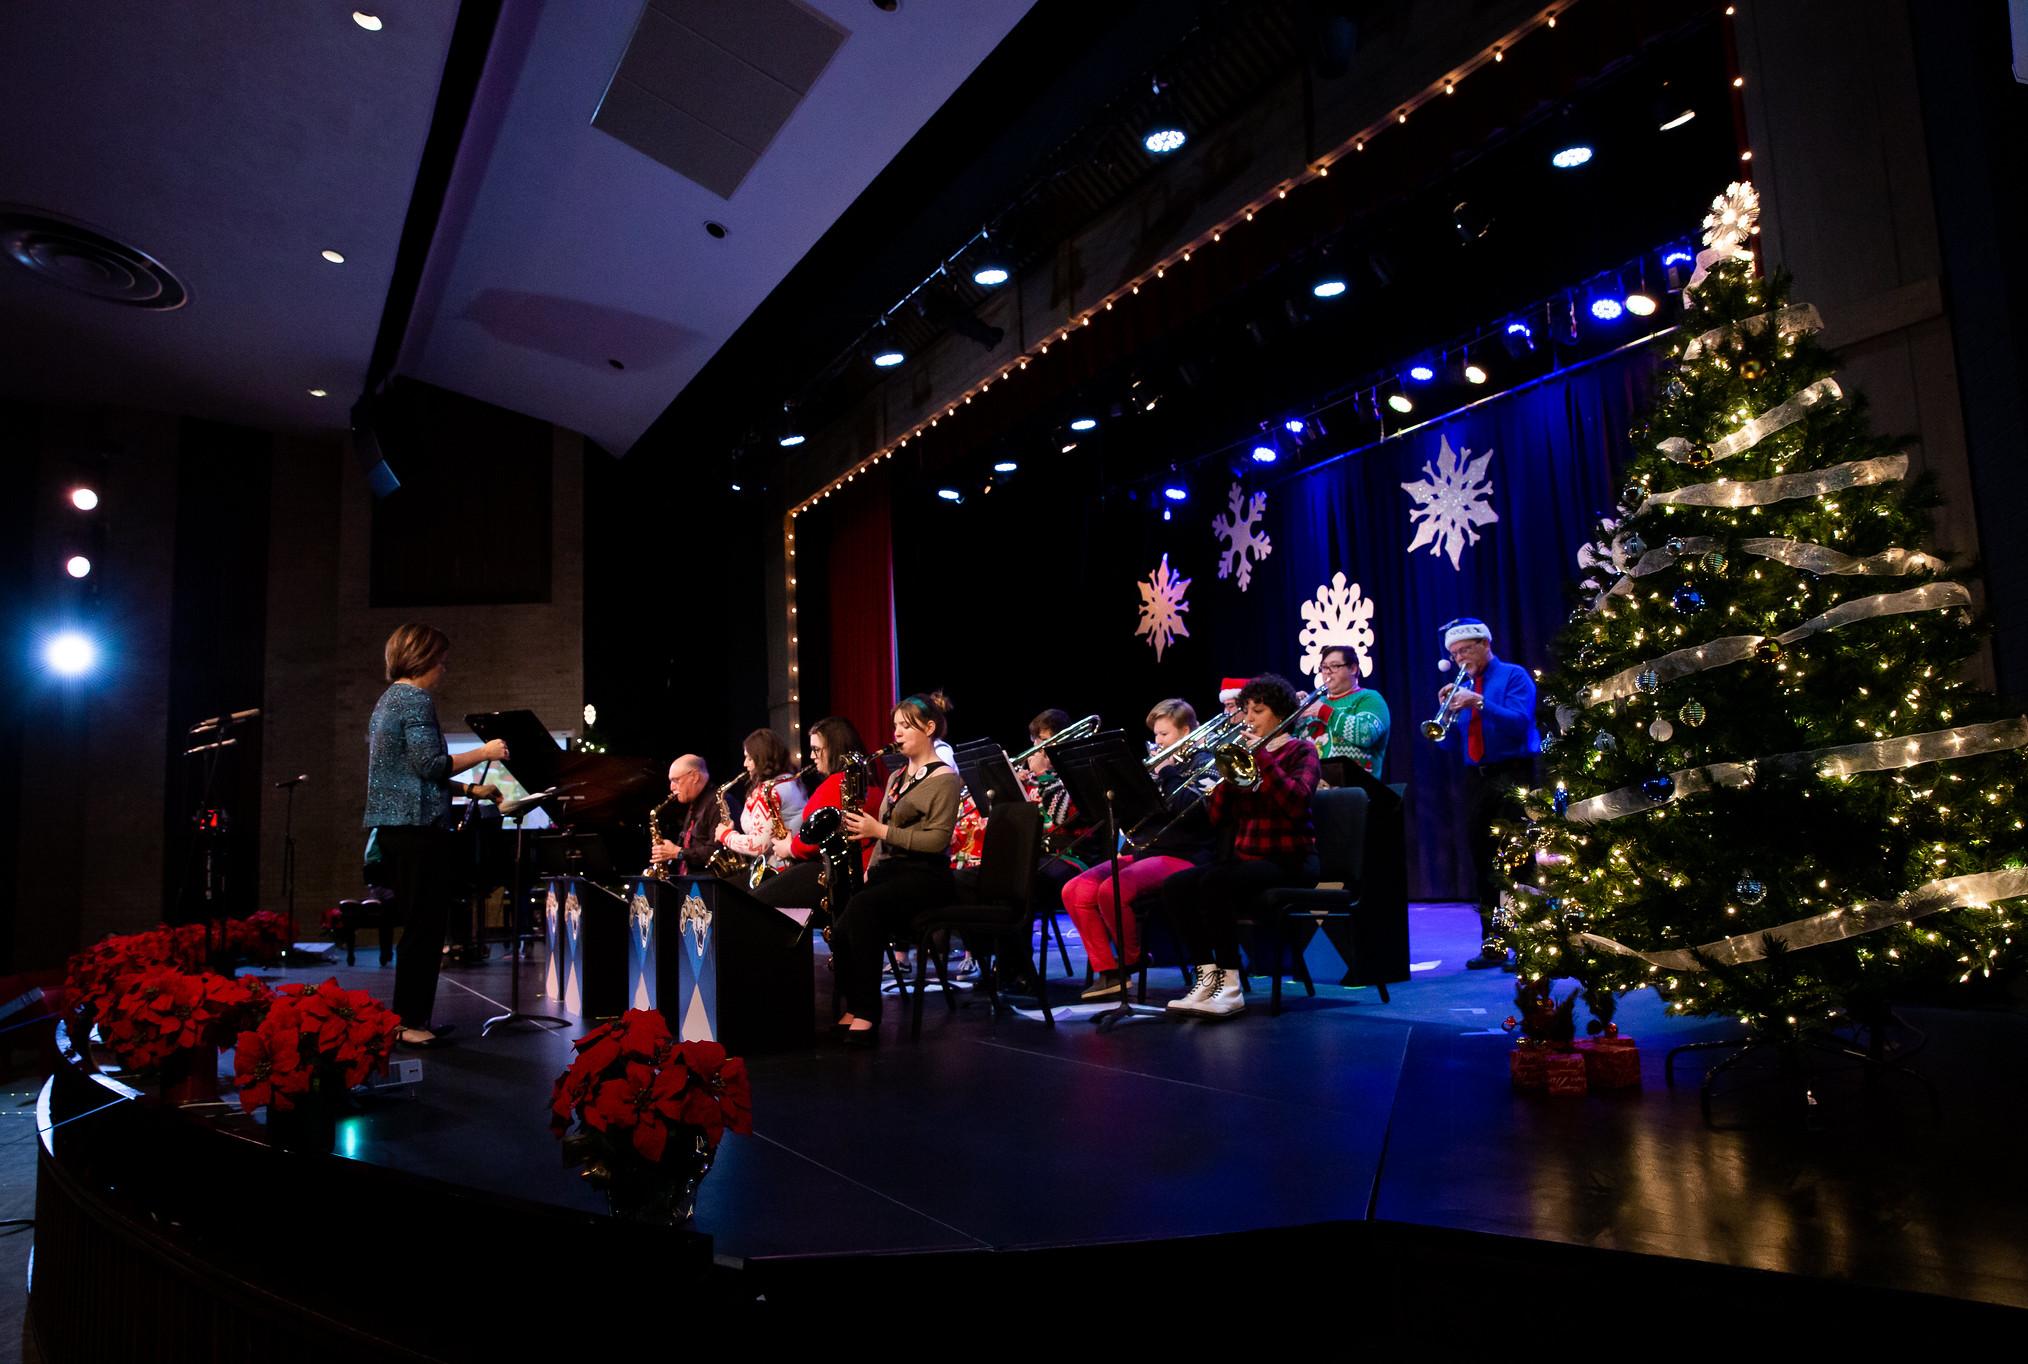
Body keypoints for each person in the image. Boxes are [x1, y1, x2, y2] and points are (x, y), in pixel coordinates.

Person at [362, 624, 507, 1048]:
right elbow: (429, 764)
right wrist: (486, 752)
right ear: (423, 657)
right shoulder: (415, 699)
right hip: (418, 831)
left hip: (395, 830)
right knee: (425, 930)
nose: (445, 667)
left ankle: (408, 1019)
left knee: (419, 928)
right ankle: (409, 1023)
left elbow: (407, 772)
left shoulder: (388, 700)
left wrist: (470, 789)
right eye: (441, 658)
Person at [1159, 674, 1321, 1019]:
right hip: (1249, 858)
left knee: (1215, 882)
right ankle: (1207, 978)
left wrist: (1262, 759)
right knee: (1176, 885)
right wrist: (1224, 780)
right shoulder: (1245, 754)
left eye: (1257, 711)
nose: (1248, 718)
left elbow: (1296, 802)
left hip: (1290, 859)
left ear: (1279, 713)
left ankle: (1231, 985)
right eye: (1246, 710)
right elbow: (1217, 818)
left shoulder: (1301, 751)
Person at [1063, 698, 1216, 1000]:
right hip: (1147, 851)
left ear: (1186, 730)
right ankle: (1108, 971)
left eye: (1164, 734)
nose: (1157, 742)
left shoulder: (1203, 761)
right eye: (1156, 735)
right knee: (1075, 889)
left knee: (1112, 890)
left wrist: (1169, 773)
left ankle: (1130, 962)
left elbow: (1197, 809)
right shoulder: (1158, 767)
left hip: (1185, 853)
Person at [832, 696, 963, 1045]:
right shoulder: (896, 777)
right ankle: (855, 1002)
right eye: (896, 726)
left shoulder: (946, 780)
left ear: (929, 728)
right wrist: (869, 870)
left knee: (863, 910)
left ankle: (868, 1013)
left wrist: (880, 831)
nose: (897, 732)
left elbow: (936, 841)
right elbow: (882, 835)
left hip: (927, 876)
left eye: (905, 725)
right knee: (844, 919)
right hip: (893, 872)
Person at [1434, 618, 1542, 969]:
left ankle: (1528, 945)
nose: (1460, 658)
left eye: (1464, 650)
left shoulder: (1512, 675)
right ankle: (1493, 943)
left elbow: (1520, 721)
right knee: (1482, 860)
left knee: (1519, 859)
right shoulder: (1464, 685)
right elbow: (1457, 741)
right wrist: (1449, 713)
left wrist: (1479, 703)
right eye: (1454, 653)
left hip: (1513, 772)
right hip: (1476, 777)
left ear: (1484, 644)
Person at [755, 716, 875, 912]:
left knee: (759, 902)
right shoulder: (864, 777)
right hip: (849, 870)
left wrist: (790, 848)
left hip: (836, 874)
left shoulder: (837, 783)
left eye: (817, 750)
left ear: (835, 749)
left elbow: (817, 838)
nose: (812, 756)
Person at [713, 729, 808, 882]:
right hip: (794, 869)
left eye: (749, 758)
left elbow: (759, 845)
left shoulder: (767, 791)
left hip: (777, 873)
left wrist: (726, 836)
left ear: (762, 758)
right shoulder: (791, 780)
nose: (745, 764)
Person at [1309, 645, 1391, 784]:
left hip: (1356, 792)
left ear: (1353, 669)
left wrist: (1324, 712)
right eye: (1324, 667)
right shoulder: (1316, 703)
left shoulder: (1369, 698)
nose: (1327, 672)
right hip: (1313, 790)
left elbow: (1366, 734)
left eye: (1334, 666)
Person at [647, 754, 717, 875]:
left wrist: (677, 852)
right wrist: (668, 853)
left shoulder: (719, 803)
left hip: (710, 886)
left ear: (695, 776)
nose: (671, 787)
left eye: (676, 780)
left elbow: (716, 852)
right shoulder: (694, 804)